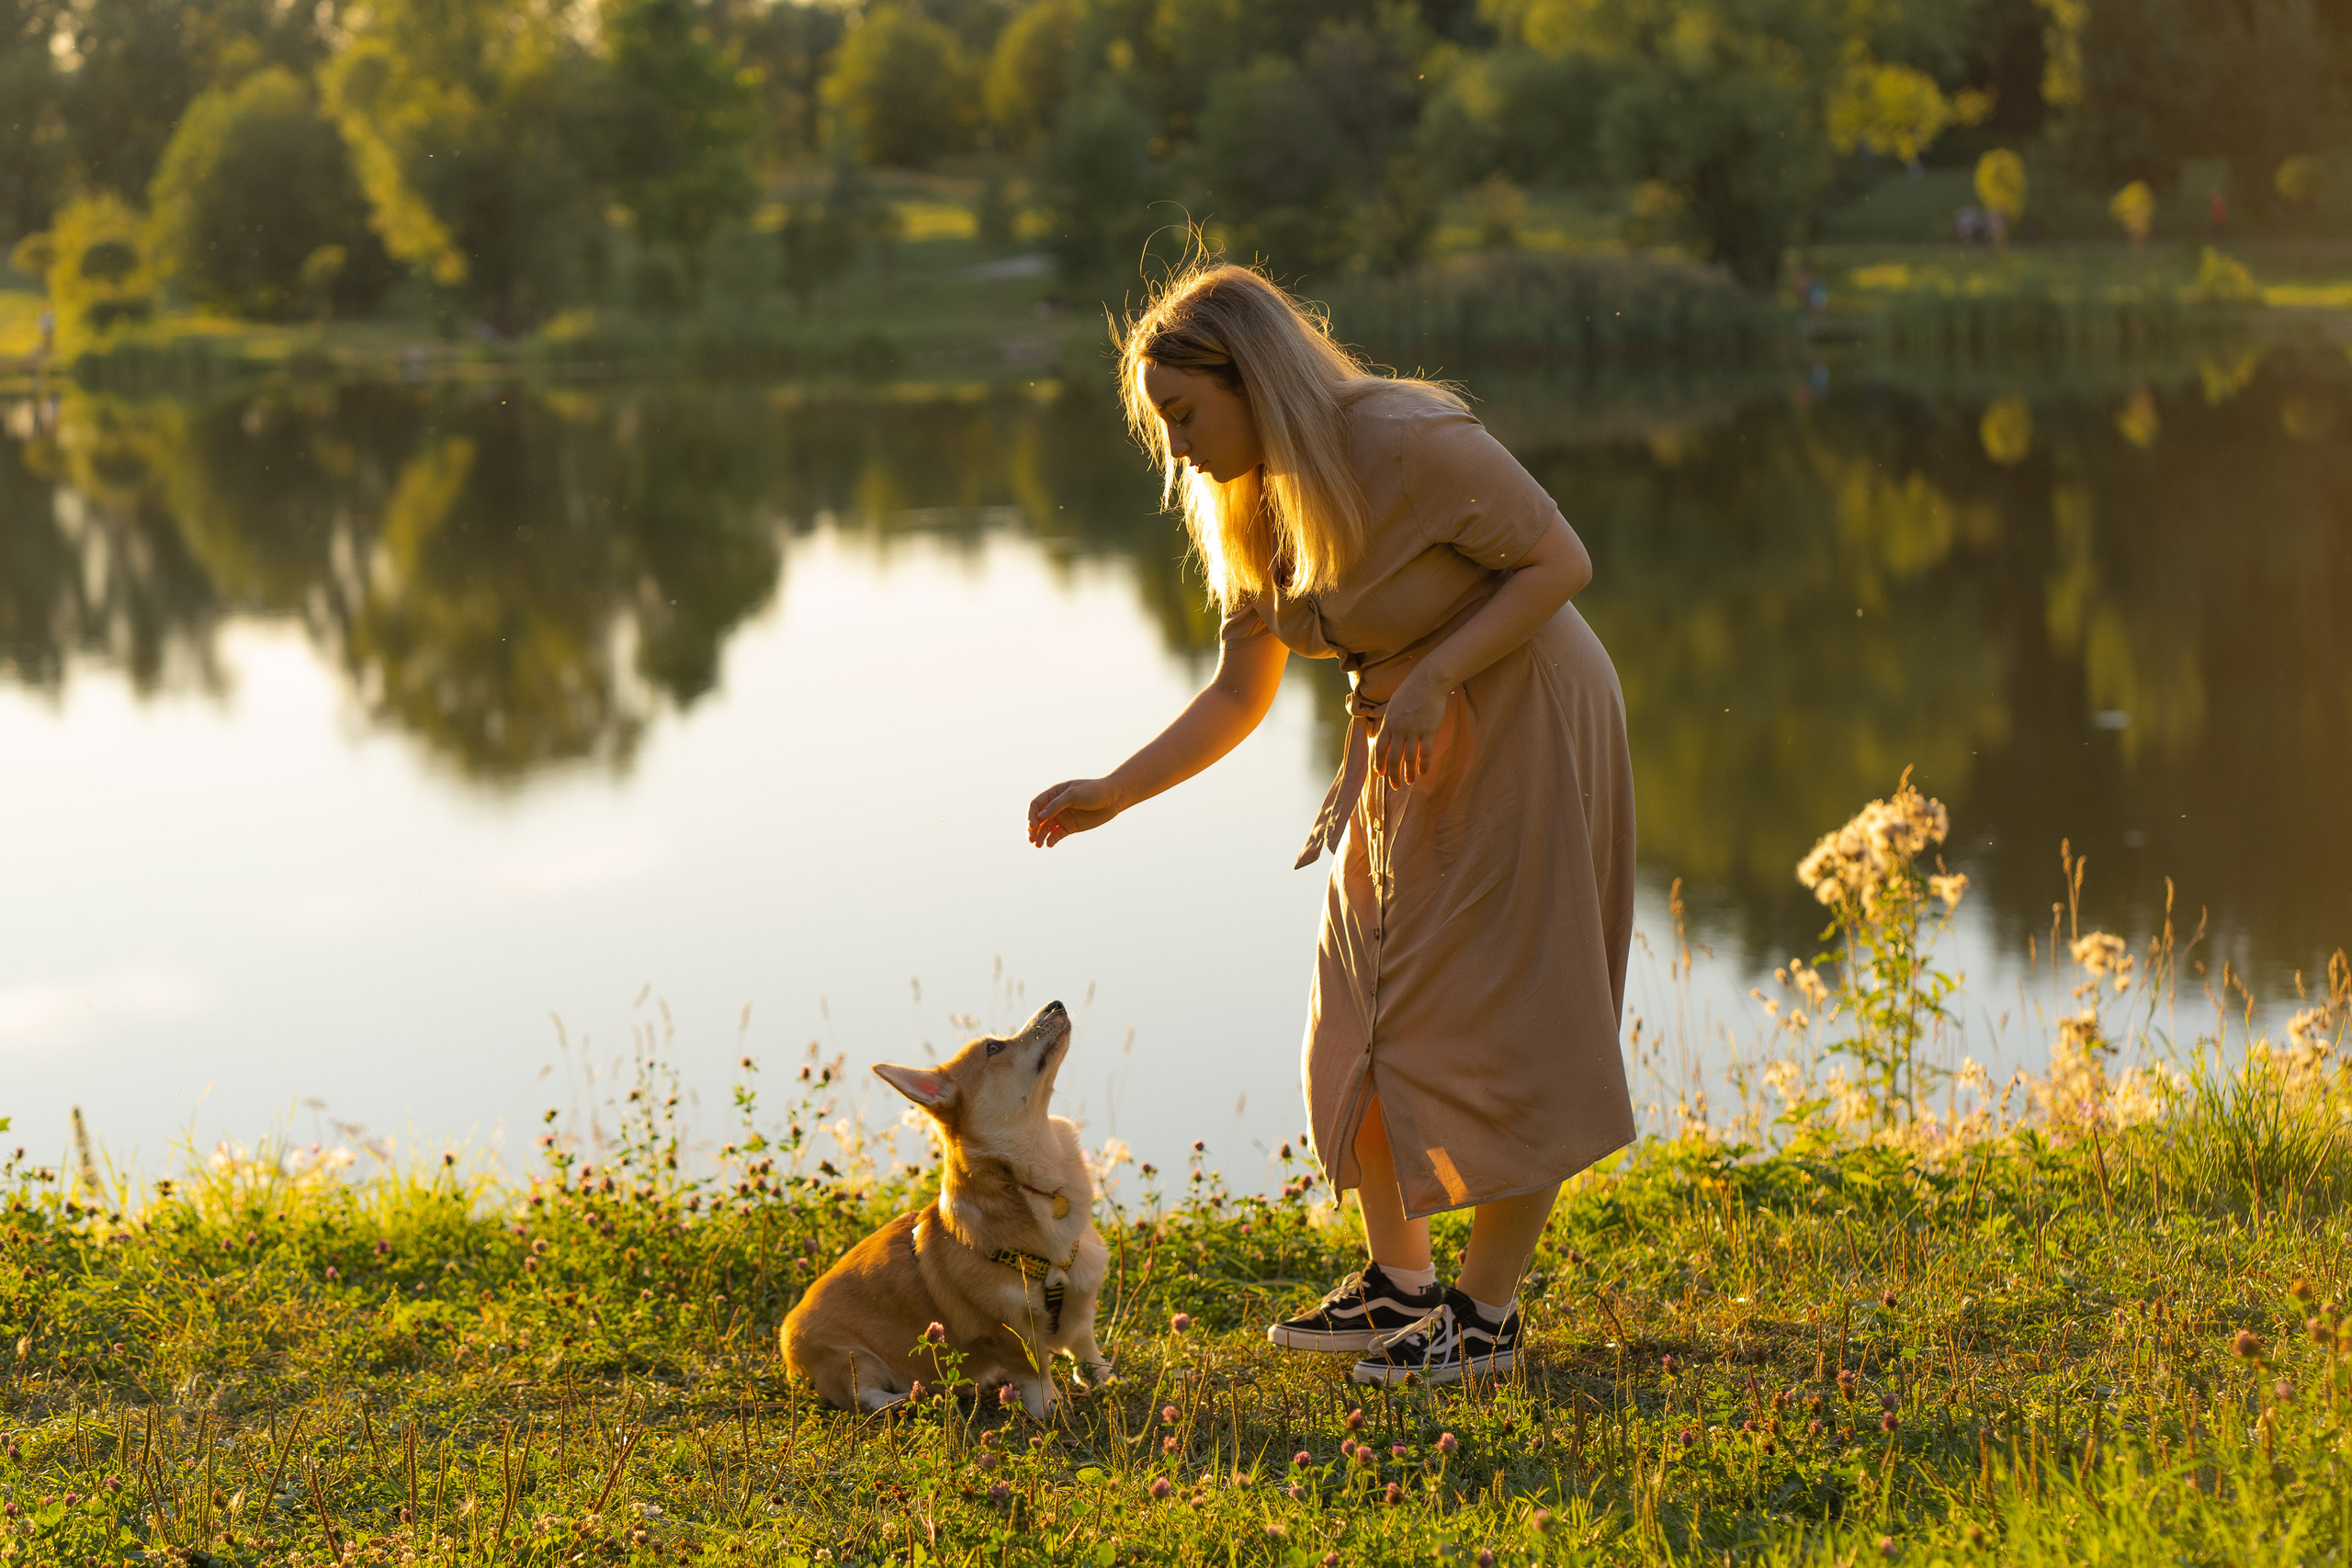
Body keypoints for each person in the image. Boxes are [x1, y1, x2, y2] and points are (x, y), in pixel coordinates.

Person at [1025, 263, 1636, 1385]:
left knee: (1513, 1013)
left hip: (1525, 712)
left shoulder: (1405, 440)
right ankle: (1400, 1284)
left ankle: (1485, 1316)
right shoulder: (1250, 503)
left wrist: (1436, 673)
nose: (1176, 448)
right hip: (1407, 732)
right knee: (1359, 1009)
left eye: (1185, 415)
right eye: (1162, 423)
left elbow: (1562, 563)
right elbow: (1237, 694)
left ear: (1252, 380)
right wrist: (1115, 790)